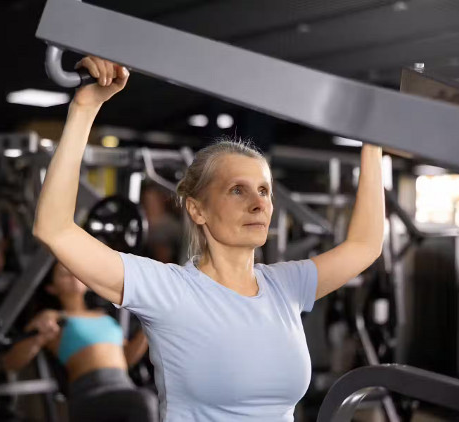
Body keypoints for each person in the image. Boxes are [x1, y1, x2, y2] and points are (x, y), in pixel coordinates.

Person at [33, 56, 384, 421]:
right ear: (197, 210)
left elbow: (365, 245)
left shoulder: (287, 286)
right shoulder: (169, 290)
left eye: (264, 191)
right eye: (237, 190)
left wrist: (374, 144)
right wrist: (85, 108)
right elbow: (54, 228)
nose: (258, 203)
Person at [1, 261, 157, 422]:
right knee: (144, 401)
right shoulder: (52, 317)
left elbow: (126, 359)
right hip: (91, 395)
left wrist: (149, 326)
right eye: (64, 274)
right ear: (51, 288)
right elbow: (10, 363)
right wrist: (38, 339)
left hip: (126, 388)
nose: (72, 275)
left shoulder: (104, 316)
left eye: (75, 270)